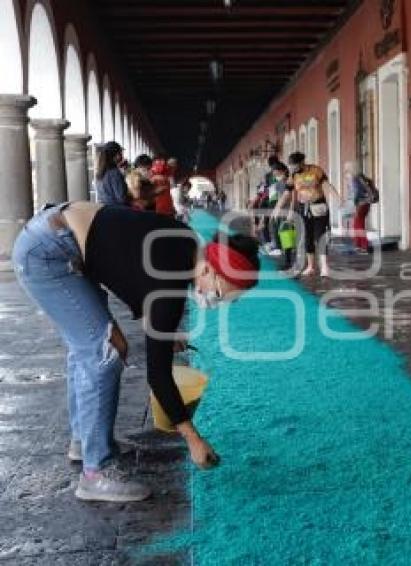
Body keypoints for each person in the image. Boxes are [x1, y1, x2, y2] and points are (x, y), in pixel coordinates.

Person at [12, 201, 260, 502]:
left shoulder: (186, 240)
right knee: (104, 351)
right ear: (208, 268)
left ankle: (85, 441)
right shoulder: (169, 286)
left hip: (54, 234)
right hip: (49, 253)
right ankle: (96, 472)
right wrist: (192, 437)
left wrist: (162, 333)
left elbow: (133, 273)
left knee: (88, 347)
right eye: (219, 293)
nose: (213, 301)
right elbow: (157, 374)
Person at [282, 152, 339, 277]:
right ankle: (311, 266)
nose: (293, 168)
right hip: (303, 209)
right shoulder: (293, 175)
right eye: (291, 166)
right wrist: (279, 207)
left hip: (318, 207)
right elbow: (288, 192)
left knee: (320, 236)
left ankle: (325, 267)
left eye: (295, 165)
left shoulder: (315, 170)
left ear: (302, 162)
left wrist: (338, 197)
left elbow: (326, 185)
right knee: (307, 237)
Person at [345, 162, 376, 254]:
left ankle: (364, 246)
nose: (346, 169)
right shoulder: (362, 177)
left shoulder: (355, 178)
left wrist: (354, 202)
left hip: (361, 203)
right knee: (357, 224)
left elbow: (357, 191)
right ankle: (358, 245)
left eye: (347, 168)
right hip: (366, 203)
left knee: (358, 225)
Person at [95, 142, 129, 206]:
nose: (122, 156)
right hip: (116, 211)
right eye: (120, 153)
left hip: (103, 209)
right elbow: (121, 198)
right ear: (116, 155)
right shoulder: (114, 173)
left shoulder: (100, 172)